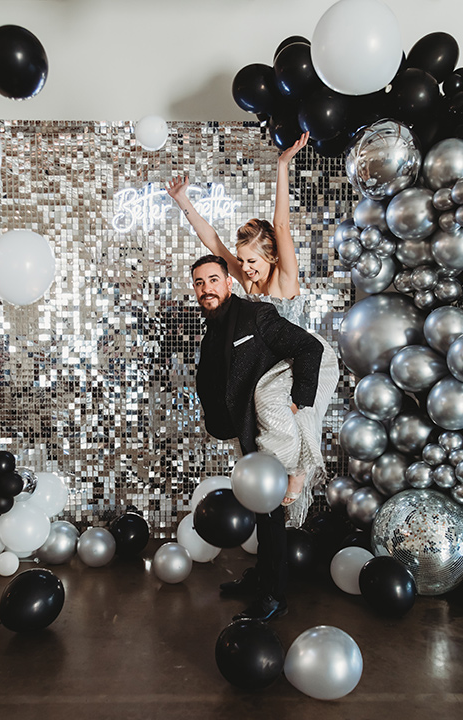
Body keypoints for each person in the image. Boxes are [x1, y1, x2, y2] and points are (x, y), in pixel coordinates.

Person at [167, 132, 339, 523]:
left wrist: (282, 166)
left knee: (295, 415)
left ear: (271, 257)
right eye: (240, 261)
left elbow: (280, 223)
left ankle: (297, 475)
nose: (244, 268)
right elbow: (211, 240)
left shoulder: (284, 279)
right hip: (271, 370)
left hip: (302, 360)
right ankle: (275, 494)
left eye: (251, 261)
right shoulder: (246, 283)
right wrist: (183, 203)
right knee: (266, 425)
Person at [191, 254, 324, 621]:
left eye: (213, 280)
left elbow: (308, 347)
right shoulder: (212, 329)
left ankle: (274, 597)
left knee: (270, 514)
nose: (207, 289)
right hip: (247, 431)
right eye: (200, 283)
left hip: (274, 432)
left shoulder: (255, 316)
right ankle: (262, 579)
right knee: (261, 510)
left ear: (228, 283)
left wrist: (301, 399)